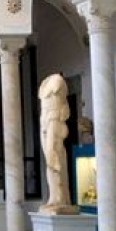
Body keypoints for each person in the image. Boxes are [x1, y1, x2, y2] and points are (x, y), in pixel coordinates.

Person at [38, 73, 73, 212]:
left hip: (54, 123)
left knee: (53, 158)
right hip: (46, 123)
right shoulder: (46, 89)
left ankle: (60, 197)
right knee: (49, 162)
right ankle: (54, 196)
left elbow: (62, 114)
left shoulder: (58, 84)